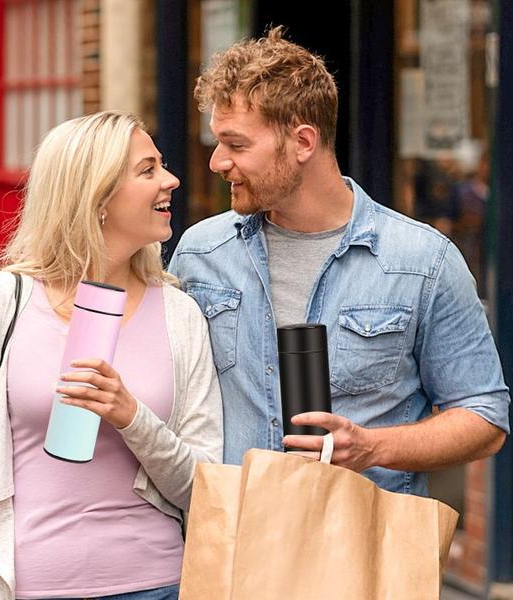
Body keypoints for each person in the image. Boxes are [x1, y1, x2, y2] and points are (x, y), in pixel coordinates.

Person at [168, 27, 509, 496]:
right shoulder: (200, 253)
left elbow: (484, 416)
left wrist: (372, 447)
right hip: (235, 546)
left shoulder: (422, 262)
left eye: (236, 145)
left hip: (359, 549)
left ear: (303, 142)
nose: (216, 163)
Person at [0, 111, 223, 600]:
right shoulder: (4, 301)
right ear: (98, 197)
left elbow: (204, 485)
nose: (171, 180)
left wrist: (133, 418)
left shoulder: (180, 314)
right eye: (147, 169)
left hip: (156, 585)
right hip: (28, 585)